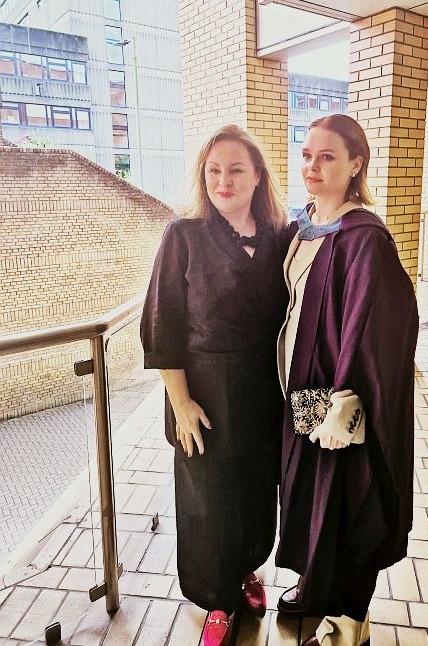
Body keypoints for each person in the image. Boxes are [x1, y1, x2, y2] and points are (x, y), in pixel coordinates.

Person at [140, 124, 288, 646]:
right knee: (209, 502)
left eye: (236, 170)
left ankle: (245, 571)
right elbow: (162, 325)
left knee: (255, 493)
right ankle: (218, 602)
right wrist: (180, 403)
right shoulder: (183, 235)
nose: (224, 181)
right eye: (214, 170)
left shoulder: (281, 236)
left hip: (264, 393)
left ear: (258, 176)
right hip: (202, 395)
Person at [275, 114, 419, 646]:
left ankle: (348, 622)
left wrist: (345, 403)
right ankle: (315, 586)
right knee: (311, 491)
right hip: (301, 388)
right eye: (307, 154)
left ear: (356, 163)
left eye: (327, 156)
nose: (312, 165)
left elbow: (381, 326)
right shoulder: (304, 225)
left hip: (339, 395)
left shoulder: (364, 238)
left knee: (348, 499)